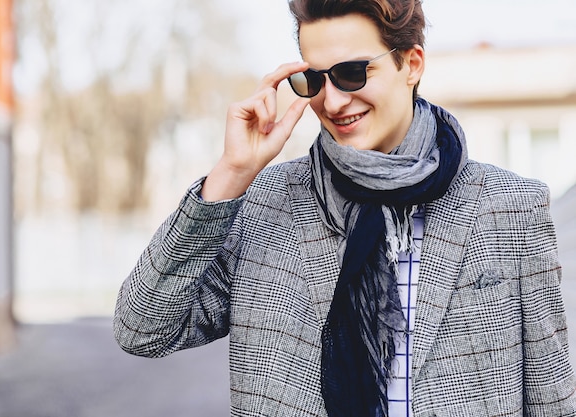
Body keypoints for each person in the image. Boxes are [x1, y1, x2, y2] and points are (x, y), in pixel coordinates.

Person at [113, 0, 576, 415]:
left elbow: (551, 397)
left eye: (353, 72)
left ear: (411, 64)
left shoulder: (510, 208)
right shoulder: (264, 200)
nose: (332, 100)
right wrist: (231, 174)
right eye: (313, 79)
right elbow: (143, 329)